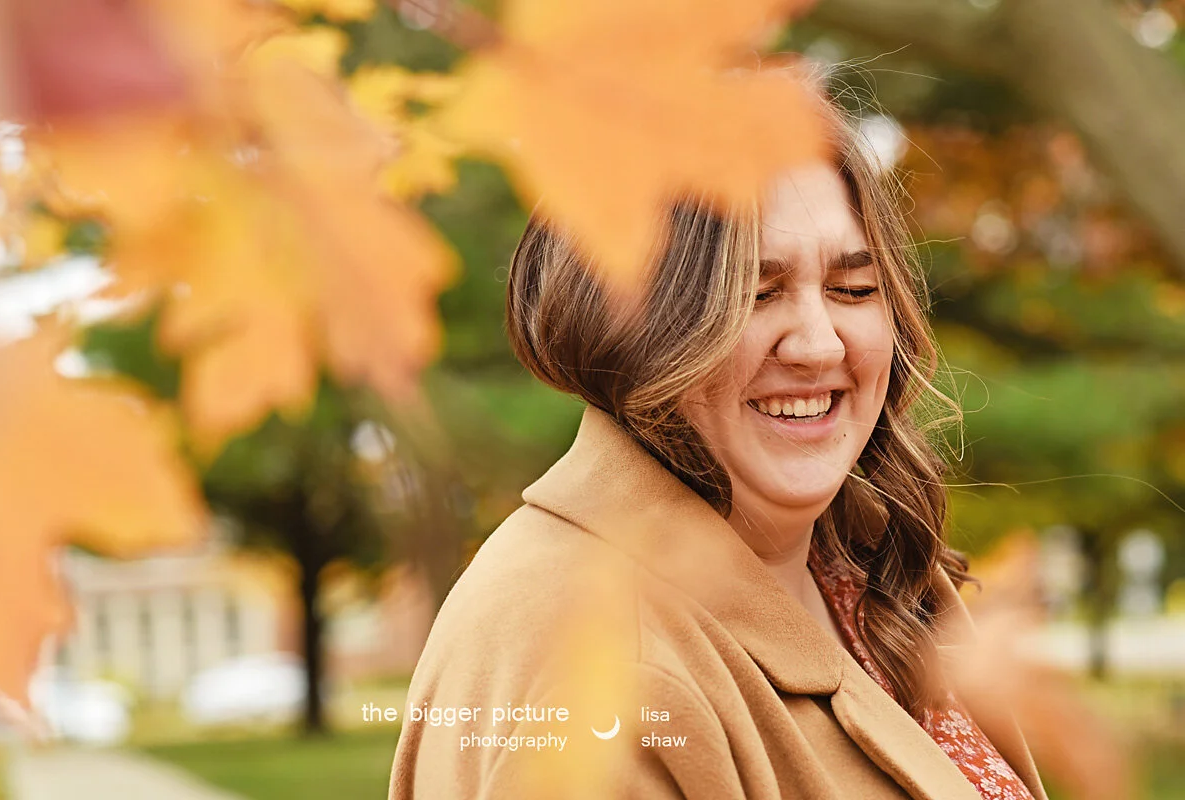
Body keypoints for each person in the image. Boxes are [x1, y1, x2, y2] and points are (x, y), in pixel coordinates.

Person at [388, 92, 1049, 800]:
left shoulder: (865, 566)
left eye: (853, 288)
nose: (820, 343)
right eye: (755, 294)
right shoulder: (600, 657)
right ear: (628, 326)